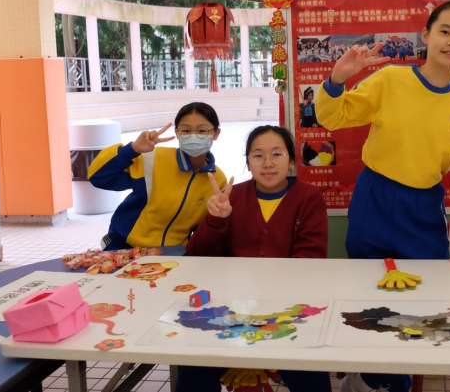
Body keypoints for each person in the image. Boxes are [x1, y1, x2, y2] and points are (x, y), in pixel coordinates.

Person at [316, 0, 450, 392]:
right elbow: (333, 116)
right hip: (375, 198)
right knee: (371, 293)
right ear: (426, 35)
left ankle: (383, 377)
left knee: (423, 296)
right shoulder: (392, 79)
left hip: (425, 207)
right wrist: (337, 79)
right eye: (445, 31)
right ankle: (376, 376)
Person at [176, 125, 330, 392]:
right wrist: (216, 219)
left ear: (291, 161)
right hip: (230, 309)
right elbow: (197, 256)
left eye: (277, 154)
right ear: (248, 162)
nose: (267, 163)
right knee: (194, 368)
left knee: (310, 373)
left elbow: (310, 261)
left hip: (287, 309)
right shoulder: (231, 197)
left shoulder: (309, 197)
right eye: (258, 155)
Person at [88, 102, 228, 251]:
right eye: (186, 130)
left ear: (216, 133)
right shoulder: (152, 159)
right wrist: (132, 149)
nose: (193, 136)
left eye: (202, 130)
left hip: (175, 254)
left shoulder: (217, 180)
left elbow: (203, 230)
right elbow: (98, 177)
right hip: (127, 248)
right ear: (177, 133)